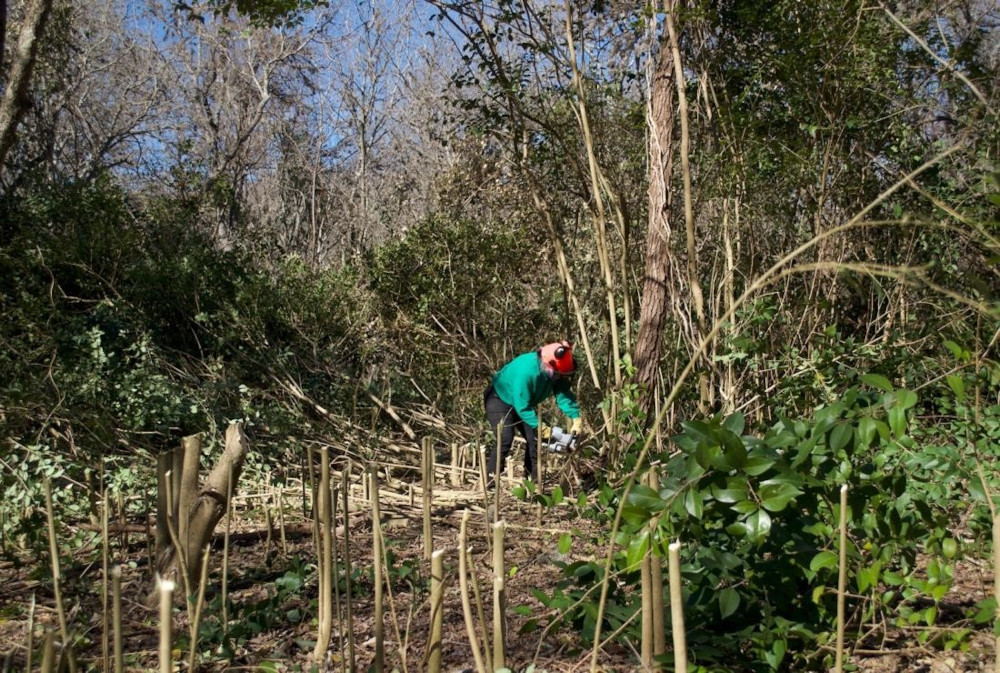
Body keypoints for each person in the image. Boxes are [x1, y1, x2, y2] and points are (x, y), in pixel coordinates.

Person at [484, 340, 583, 485]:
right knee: (505, 438)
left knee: (535, 440)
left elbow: (563, 394)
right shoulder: (527, 371)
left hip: (524, 403)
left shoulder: (555, 373)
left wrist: (576, 418)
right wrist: (540, 427)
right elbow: (521, 404)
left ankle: (533, 481)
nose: (562, 377)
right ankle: (490, 483)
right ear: (550, 366)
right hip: (499, 398)